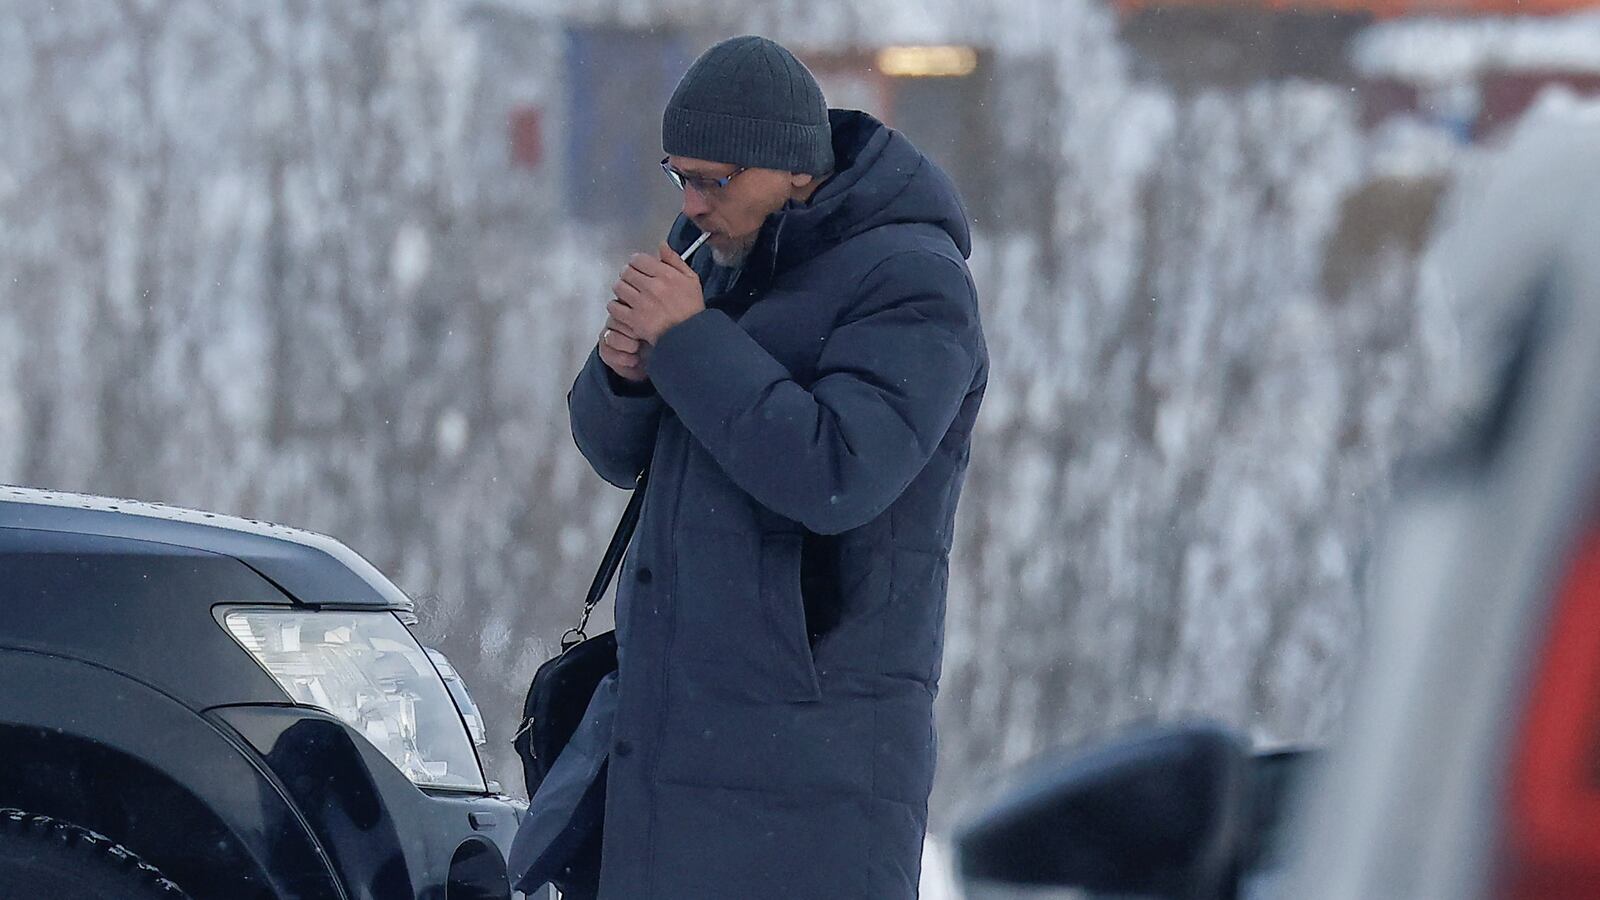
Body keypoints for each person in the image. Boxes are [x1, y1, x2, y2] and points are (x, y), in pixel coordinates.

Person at [567, 34, 987, 898]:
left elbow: (837, 473)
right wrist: (623, 374)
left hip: (814, 756)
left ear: (795, 169)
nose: (691, 203)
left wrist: (688, 342)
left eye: (713, 181)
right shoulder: (714, 257)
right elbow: (618, 459)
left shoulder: (914, 282)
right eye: (677, 176)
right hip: (678, 735)